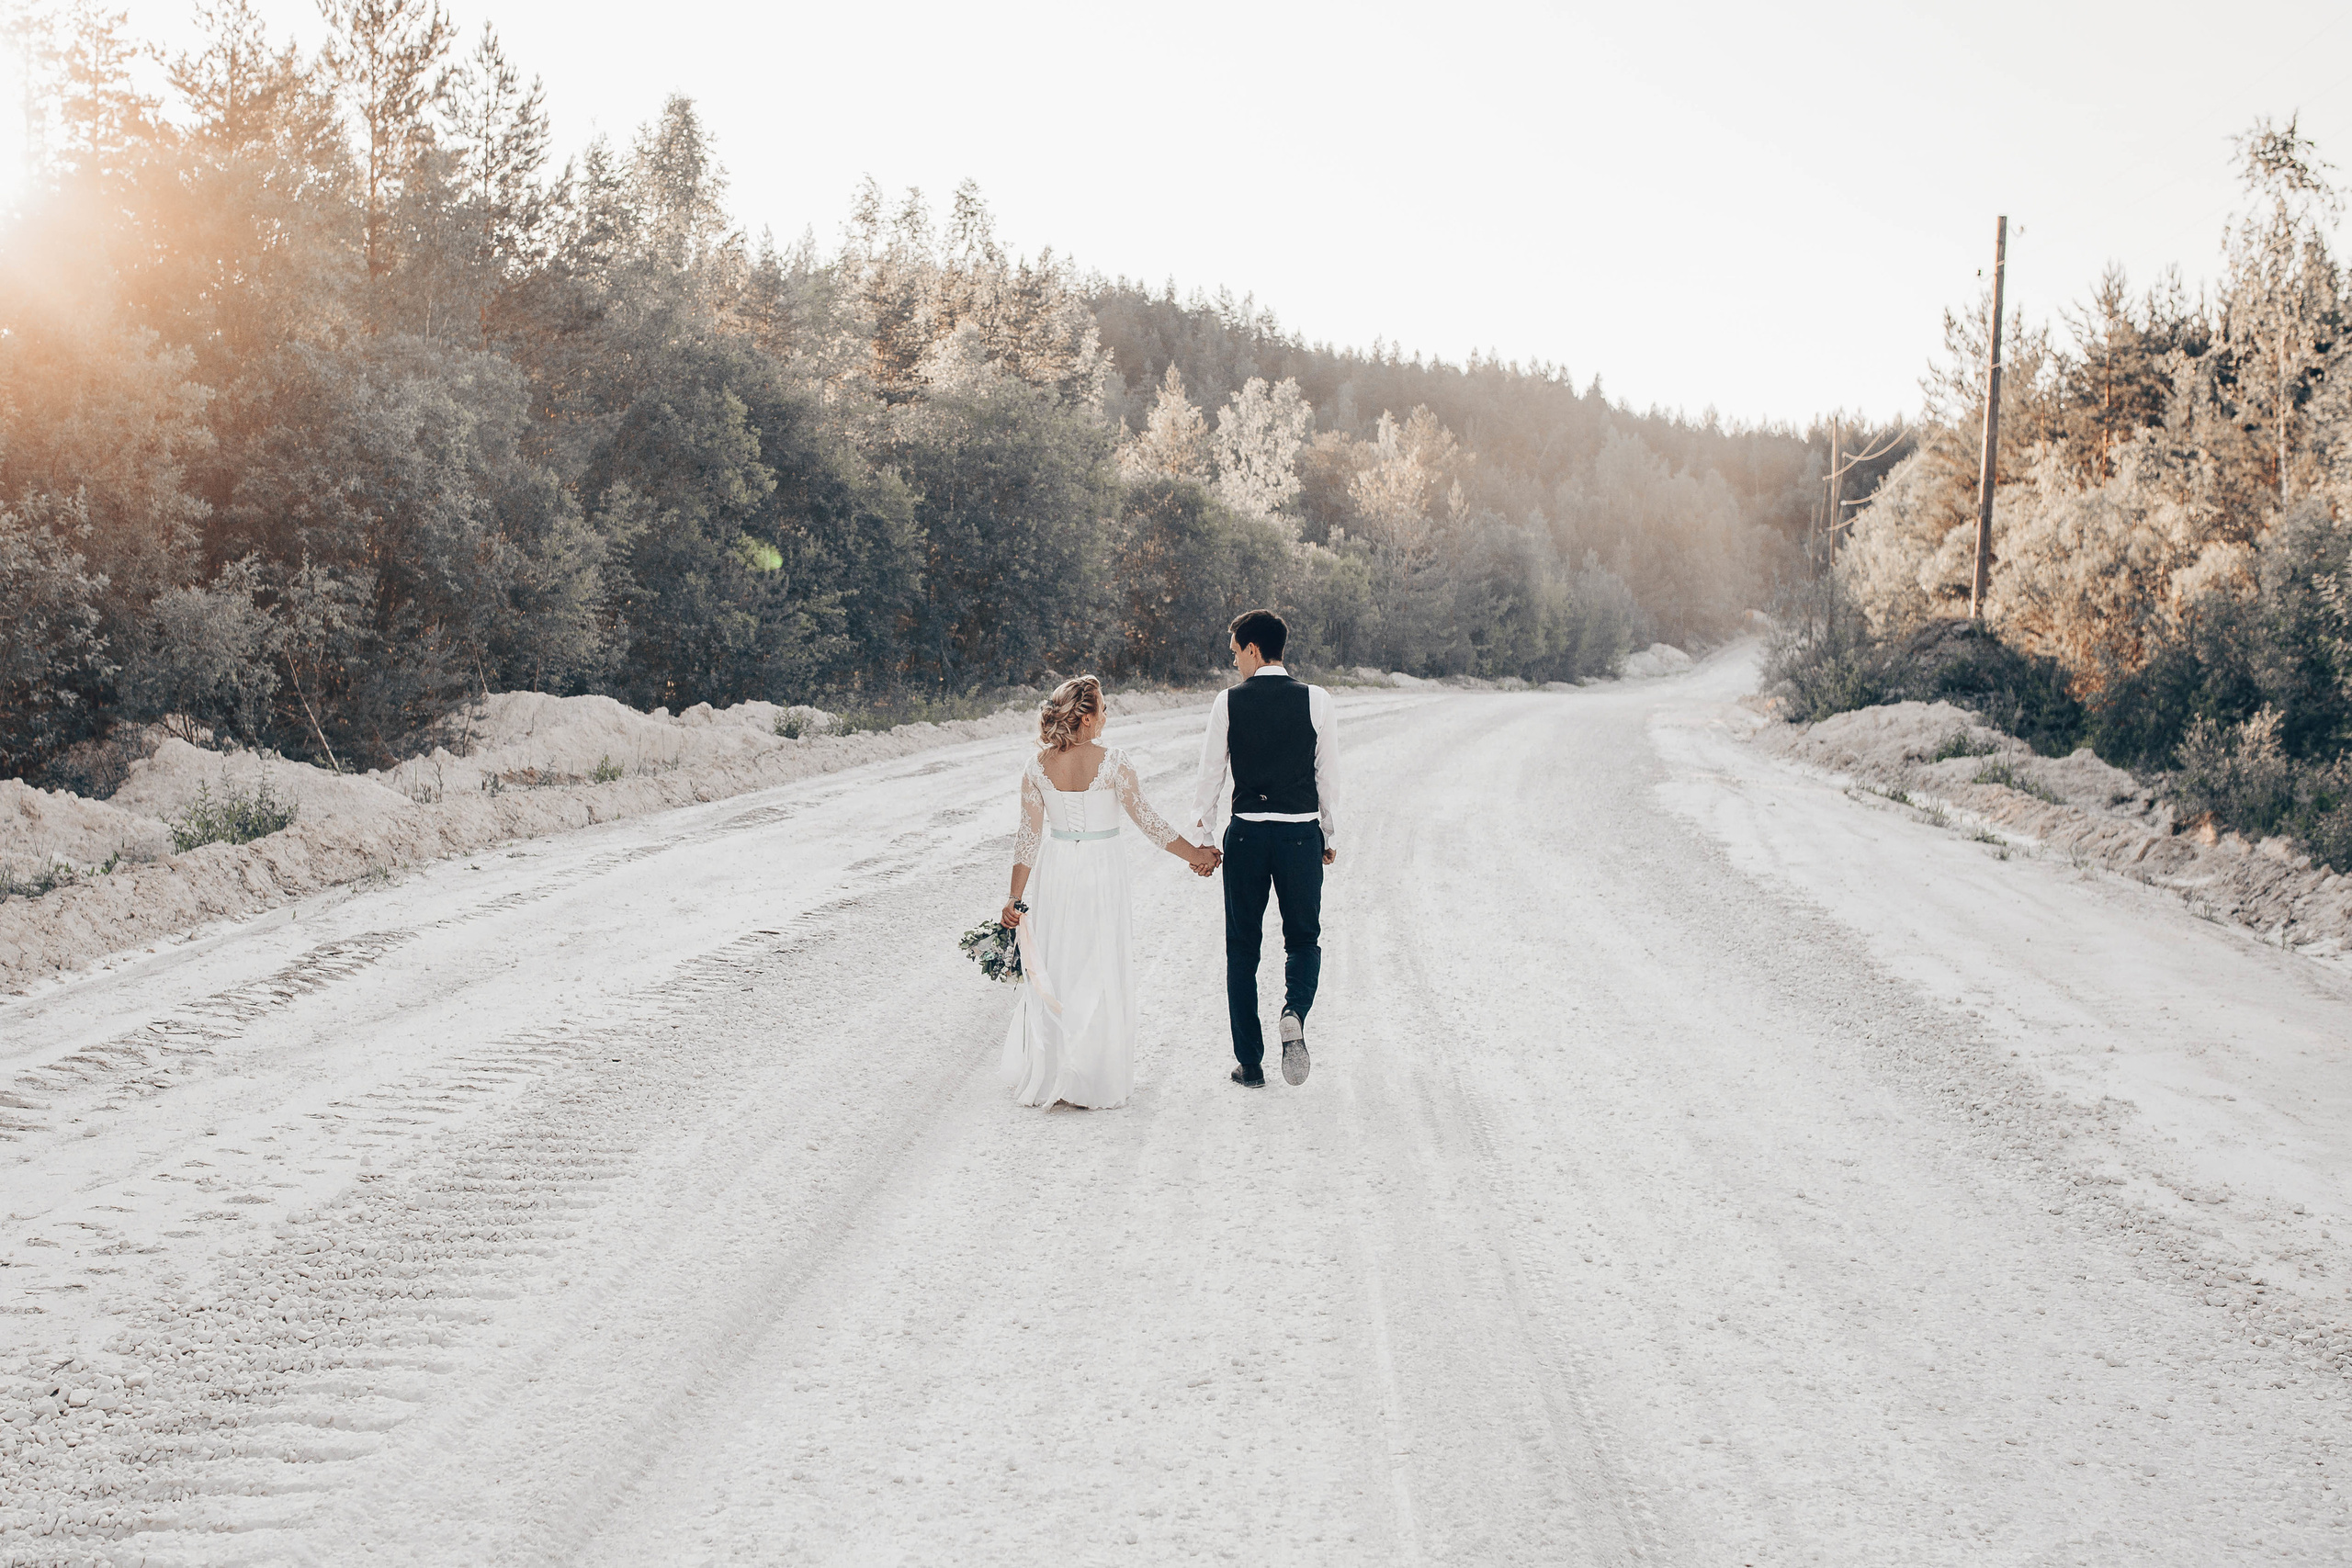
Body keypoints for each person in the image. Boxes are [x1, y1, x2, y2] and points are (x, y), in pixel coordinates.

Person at [998, 675, 1219, 1108]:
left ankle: (1058, 1068)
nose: (1106, 716)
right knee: (1098, 962)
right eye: (1102, 709)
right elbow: (1149, 823)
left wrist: (1014, 897)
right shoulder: (1115, 761)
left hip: (1058, 868)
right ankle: (1092, 1074)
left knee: (1061, 960)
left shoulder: (1036, 766)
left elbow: (1028, 836)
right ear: (1084, 717)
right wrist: (1198, 855)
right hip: (1101, 868)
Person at [1189, 608, 1337, 1089]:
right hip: (1298, 834)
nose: (1235, 664)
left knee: (1242, 949)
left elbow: (1210, 775)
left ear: (1253, 649)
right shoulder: (1317, 700)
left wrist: (1205, 840)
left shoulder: (1227, 703)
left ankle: (1250, 1064)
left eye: (1235, 654)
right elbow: (1326, 776)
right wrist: (1328, 836)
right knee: (1303, 940)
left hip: (1248, 835)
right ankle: (1294, 1010)